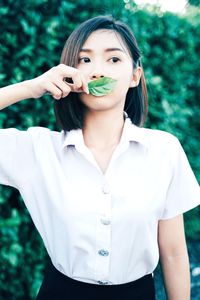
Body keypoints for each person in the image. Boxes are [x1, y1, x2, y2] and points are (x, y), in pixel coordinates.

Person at [0, 15, 199, 300]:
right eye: (85, 60)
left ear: (135, 75)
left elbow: (174, 254)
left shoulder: (163, 149)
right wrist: (31, 88)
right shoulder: (38, 149)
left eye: (114, 60)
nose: (97, 71)